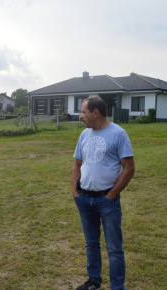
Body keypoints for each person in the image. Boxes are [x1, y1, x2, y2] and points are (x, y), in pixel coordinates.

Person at [71, 96, 135, 290]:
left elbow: (129, 168)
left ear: (95, 113)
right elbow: (77, 163)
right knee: (91, 244)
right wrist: (75, 192)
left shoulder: (118, 133)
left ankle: (117, 287)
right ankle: (94, 282)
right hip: (85, 198)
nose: (81, 116)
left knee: (114, 249)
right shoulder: (84, 135)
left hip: (107, 201)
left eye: (83, 112)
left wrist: (112, 194)